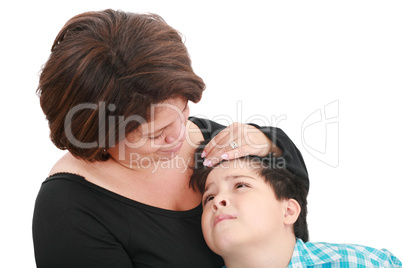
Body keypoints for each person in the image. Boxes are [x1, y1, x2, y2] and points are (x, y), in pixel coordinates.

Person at [32, 9, 309, 268]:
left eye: (184, 110)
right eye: (156, 134)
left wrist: (272, 142)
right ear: (98, 139)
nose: (179, 135)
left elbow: (290, 212)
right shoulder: (69, 211)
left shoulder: (217, 141)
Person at [190, 142, 402, 268]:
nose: (218, 201)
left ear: (289, 210)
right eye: (209, 198)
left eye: (241, 185)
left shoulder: (364, 263)